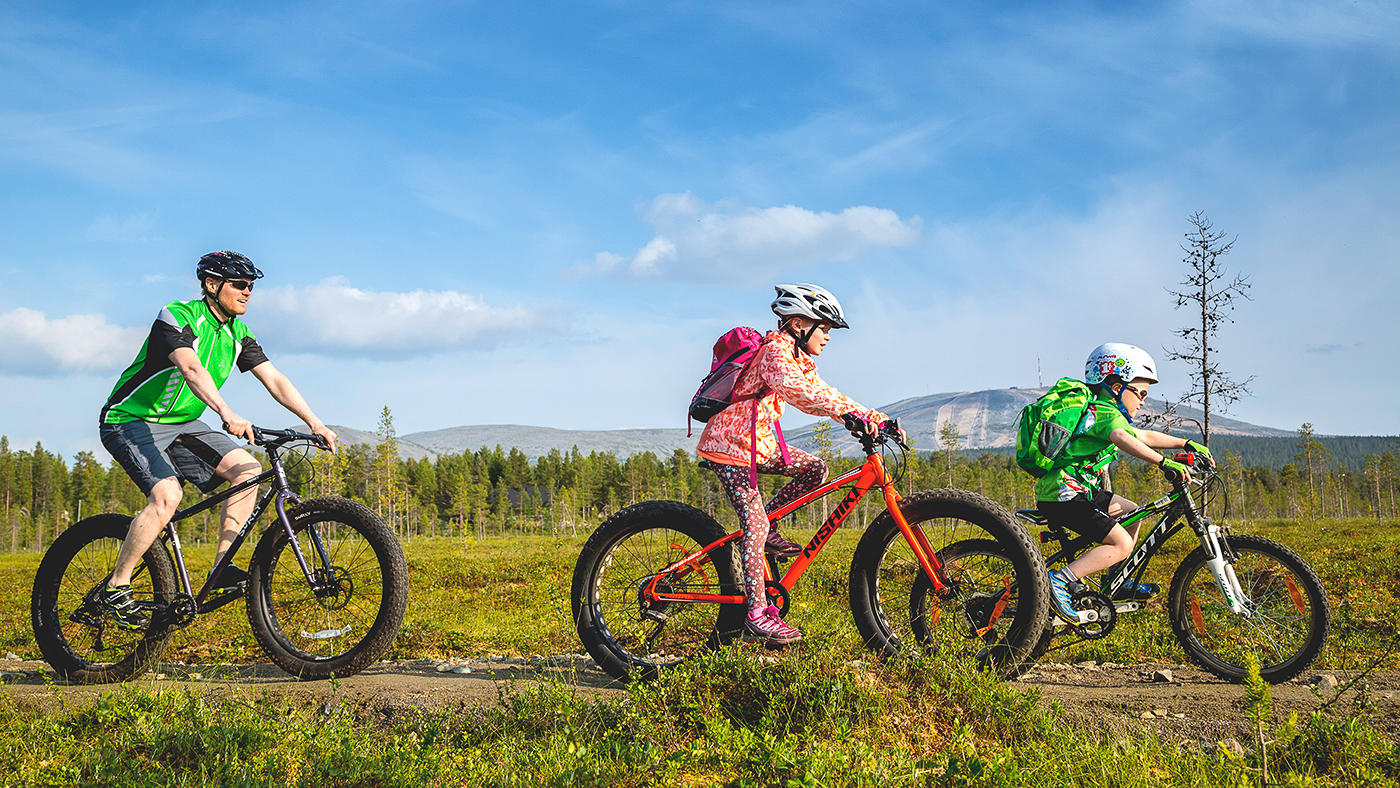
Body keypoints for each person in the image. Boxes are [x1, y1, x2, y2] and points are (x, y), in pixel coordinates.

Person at [96, 251, 338, 629]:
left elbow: (273, 378)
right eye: (239, 285)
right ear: (212, 285)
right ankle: (117, 585)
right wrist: (226, 412)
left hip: (182, 424)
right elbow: (190, 367)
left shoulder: (237, 333)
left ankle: (222, 567)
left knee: (248, 469)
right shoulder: (178, 315)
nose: (247, 292)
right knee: (167, 496)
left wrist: (315, 423)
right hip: (130, 419)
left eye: (251, 286)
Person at [696, 283, 901, 645]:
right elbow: (800, 394)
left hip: (757, 446)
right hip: (729, 445)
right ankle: (757, 615)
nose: (828, 337)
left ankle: (767, 529)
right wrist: (848, 416)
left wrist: (872, 416)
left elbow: (826, 392)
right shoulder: (776, 352)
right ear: (799, 322)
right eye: (824, 328)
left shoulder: (799, 358)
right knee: (753, 521)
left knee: (815, 469)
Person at [1038, 342, 1211, 623]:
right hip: (1064, 494)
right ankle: (1059, 580)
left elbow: (1142, 436)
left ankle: (1117, 578)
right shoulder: (1103, 411)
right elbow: (1123, 438)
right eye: (1140, 392)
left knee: (1131, 512)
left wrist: (1185, 442)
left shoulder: (1105, 411)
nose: (1143, 400)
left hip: (1079, 491)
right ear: (1117, 386)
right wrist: (1164, 463)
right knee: (1121, 544)